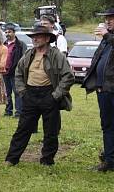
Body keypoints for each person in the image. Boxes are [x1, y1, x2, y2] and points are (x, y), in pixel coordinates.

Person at [4, 25, 73, 167]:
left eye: (38, 36)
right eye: (33, 36)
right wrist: (23, 92)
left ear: (47, 39)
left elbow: (68, 76)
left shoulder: (56, 55)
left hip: (49, 94)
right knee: (23, 129)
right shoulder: (29, 54)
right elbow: (18, 73)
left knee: (51, 131)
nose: (34, 38)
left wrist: (56, 95)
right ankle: (11, 159)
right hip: (30, 95)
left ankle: (47, 160)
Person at [83, 7, 114, 172]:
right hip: (104, 90)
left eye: (111, 18)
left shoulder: (108, 37)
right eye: (106, 18)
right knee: (107, 126)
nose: (107, 21)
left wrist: (107, 35)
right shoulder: (105, 40)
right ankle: (110, 161)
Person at [3, 24, 26, 117]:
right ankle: (8, 111)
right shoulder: (3, 44)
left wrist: (20, 70)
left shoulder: (20, 44)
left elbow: (24, 58)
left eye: (9, 32)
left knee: (17, 92)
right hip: (4, 72)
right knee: (7, 93)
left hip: (16, 73)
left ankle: (18, 112)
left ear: (14, 33)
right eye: (6, 32)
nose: (7, 34)